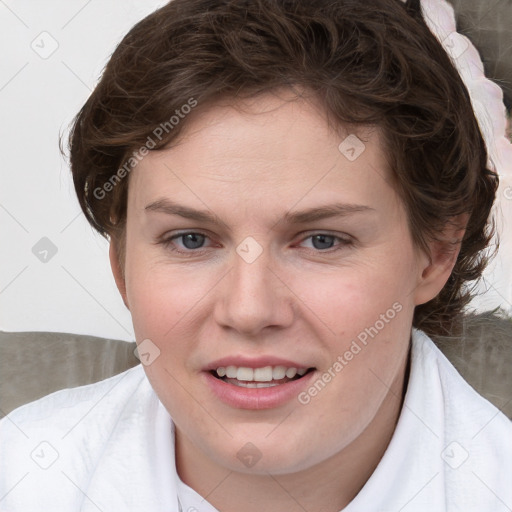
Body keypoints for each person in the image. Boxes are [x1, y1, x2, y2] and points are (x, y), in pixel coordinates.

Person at [1, 0, 511, 511]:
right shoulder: (23, 477)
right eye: (191, 240)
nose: (248, 311)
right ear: (121, 268)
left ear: (435, 254)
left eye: (321, 240)